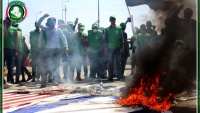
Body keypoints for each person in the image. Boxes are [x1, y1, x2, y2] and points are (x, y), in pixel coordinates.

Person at [37, 14, 68, 88]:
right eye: (50, 22)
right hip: (48, 50)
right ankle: (44, 80)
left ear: (55, 22)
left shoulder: (58, 30)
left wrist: (66, 46)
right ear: (48, 23)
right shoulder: (46, 29)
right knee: (47, 65)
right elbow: (38, 24)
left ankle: (54, 80)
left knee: (56, 66)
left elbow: (63, 38)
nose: (52, 23)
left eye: (53, 22)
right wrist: (43, 17)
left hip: (57, 50)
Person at [105, 16, 124, 81]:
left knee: (118, 62)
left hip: (117, 47)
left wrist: (122, 46)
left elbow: (121, 38)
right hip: (110, 48)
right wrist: (105, 48)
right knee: (110, 63)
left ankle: (119, 76)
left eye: (114, 19)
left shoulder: (119, 28)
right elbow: (105, 40)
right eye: (112, 20)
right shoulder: (107, 29)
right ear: (110, 21)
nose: (113, 21)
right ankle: (110, 77)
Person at [4, 17, 18, 84]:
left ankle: (10, 80)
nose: (8, 21)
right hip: (3, 50)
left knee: (10, 66)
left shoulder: (14, 29)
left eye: (9, 20)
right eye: (7, 20)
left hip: (11, 50)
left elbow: (16, 41)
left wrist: (16, 50)